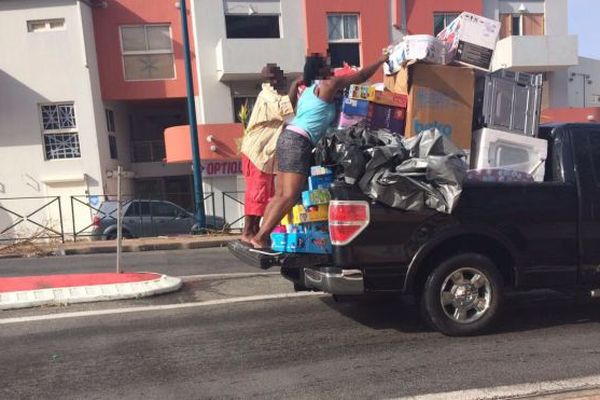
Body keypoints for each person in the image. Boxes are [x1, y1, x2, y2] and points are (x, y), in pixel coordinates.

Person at [249, 52, 389, 249]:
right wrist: (381, 60)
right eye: (326, 65)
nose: (331, 68)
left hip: (286, 137)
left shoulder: (308, 90)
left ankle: (260, 235)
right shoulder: (329, 84)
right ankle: (261, 236)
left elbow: (303, 113)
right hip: (298, 141)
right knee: (290, 195)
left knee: (280, 194)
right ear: (320, 70)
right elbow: (361, 76)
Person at [240, 64, 302, 243]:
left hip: (265, 154)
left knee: (263, 193)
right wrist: (295, 85)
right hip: (257, 152)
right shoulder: (267, 95)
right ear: (271, 79)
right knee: (257, 193)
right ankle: (248, 232)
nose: (282, 80)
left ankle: (253, 231)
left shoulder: (275, 95)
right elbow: (286, 108)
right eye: (278, 77)